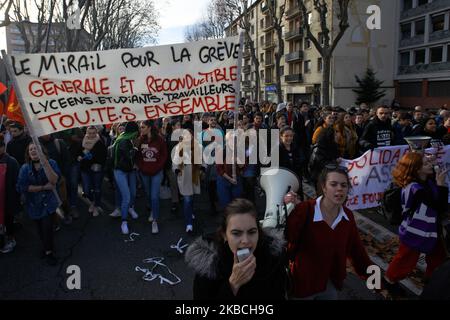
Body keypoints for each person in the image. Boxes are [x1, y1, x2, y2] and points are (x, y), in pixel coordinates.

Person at [285, 164, 373, 299]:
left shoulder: (348, 216)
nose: (339, 189)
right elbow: (288, 242)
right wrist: (290, 210)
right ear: (324, 188)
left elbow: (357, 251)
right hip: (302, 284)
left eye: (344, 185)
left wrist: (374, 278)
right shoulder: (304, 210)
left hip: (329, 284)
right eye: (334, 184)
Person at [185, 198, 287, 300]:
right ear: (224, 235)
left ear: (258, 233)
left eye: (251, 232)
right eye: (236, 233)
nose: (245, 240)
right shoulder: (209, 267)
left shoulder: (272, 257)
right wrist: (233, 284)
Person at [384, 152, 448, 290]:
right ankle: (389, 282)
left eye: (429, 162)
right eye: (426, 164)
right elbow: (439, 206)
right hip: (415, 232)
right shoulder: (415, 188)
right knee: (405, 260)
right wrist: (442, 185)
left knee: (438, 258)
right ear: (417, 169)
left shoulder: (426, 180)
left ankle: (432, 282)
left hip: (431, 230)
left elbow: (432, 174)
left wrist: (431, 160)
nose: (430, 165)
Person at [16, 143, 61, 265]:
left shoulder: (51, 163)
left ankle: (49, 252)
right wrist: (42, 187)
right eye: (31, 149)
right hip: (33, 204)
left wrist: (45, 163)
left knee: (47, 228)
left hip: (48, 203)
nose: (33, 150)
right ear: (28, 154)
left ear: (42, 151)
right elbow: (21, 187)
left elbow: (54, 180)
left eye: (36, 148)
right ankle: (46, 247)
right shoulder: (25, 168)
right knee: (40, 229)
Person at [136, 120, 168, 234]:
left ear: (149, 128)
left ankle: (155, 220)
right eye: (140, 127)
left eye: (143, 127)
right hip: (144, 173)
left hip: (157, 173)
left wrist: (158, 167)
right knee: (148, 194)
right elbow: (138, 156)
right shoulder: (140, 140)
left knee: (154, 196)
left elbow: (164, 155)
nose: (141, 129)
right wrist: (141, 167)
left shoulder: (159, 139)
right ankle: (152, 211)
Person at [112, 122, 139, 235]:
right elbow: (129, 156)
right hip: (121, 171)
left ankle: (130, 208)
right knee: (126, 196)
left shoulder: (125, 136)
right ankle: (124, 221)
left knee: (133, 192)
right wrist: (136, 149)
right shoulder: (124, 140)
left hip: (129, 170)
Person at [173, 130, 201, 233]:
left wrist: (203, 167)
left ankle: (190, 212)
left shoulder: (197, 146)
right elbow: (175, 161)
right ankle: (189, 223)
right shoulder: (178, 147)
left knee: (192, 197)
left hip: (194, 175)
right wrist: (176, 169)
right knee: (187, 199)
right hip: (184, 175)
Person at [79, 126, 107, 217]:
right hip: (85, 169)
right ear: (86, 133)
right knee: (86, 190)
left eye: (93, 133)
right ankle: (93, 202)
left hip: (96, 170)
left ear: (96, 133)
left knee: (97, 189)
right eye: (89, 133)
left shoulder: (99, 142)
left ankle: (96, 205)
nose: (91, 135)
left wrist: (95, 161)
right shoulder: (83, 141)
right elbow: (78, 152)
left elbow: (103, 156)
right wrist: (79, 157)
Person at [0, 133, 20, 254]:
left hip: (8, 198)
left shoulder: (11, 161)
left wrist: (16, 198)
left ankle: (10, 238)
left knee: (8, 220)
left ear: (3, 147)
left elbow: (17, 181)